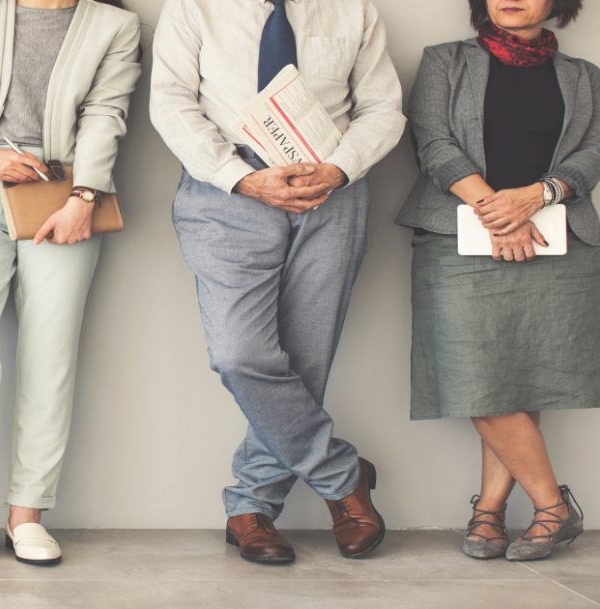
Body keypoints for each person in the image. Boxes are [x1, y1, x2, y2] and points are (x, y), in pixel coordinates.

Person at [150, 0, 405, 564]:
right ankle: (342, 476)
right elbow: (170, 102)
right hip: (226, 189)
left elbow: (383, 108)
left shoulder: (353, 9)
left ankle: (251, 506)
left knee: (306, 360)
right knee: (240, 354)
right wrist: (241, 177)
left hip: (331, 187)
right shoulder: (192, 7)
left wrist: (339, 169)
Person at [0, 0, 140, 566]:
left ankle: (28, 514)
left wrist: (84, 197)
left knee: (50, 353)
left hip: (64, 194)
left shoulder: (115, 25)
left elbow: (105, 115)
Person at [397, 0, 600, 561]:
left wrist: (539, 195)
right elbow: (433, 144)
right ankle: (554, 508)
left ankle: (488, 512)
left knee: (522, 379)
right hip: (456, 237)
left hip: (559, 242)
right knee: (475, 375)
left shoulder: (585, 76)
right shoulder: (443, 61)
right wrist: (499, 212)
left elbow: (596, 151)